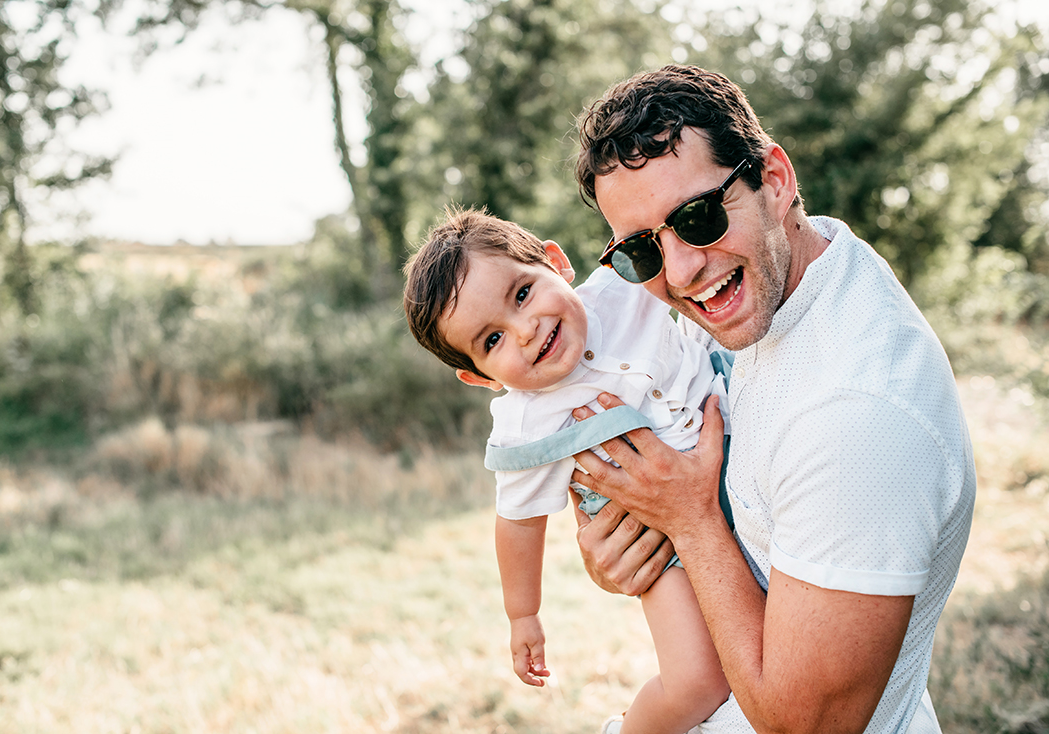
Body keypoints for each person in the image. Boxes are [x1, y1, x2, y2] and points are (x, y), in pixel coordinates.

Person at [568, 64, 976, 734]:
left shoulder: (858, 412)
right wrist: (631, 548)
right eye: (641, 250)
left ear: (776, 181)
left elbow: (802, 726)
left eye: (696, 218)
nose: (678, 272)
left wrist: (690, 522)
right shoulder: (776, 287)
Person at [402, 207, 735, 734]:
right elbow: (518, 520)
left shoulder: (628, 283)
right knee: (699, 681)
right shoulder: (529, 423)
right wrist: (523, 614)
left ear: (556, 263)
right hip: (657, 540)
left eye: (521, 295)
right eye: (492, 341)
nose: (526, 329)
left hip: (735, 444)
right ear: (479, 377)